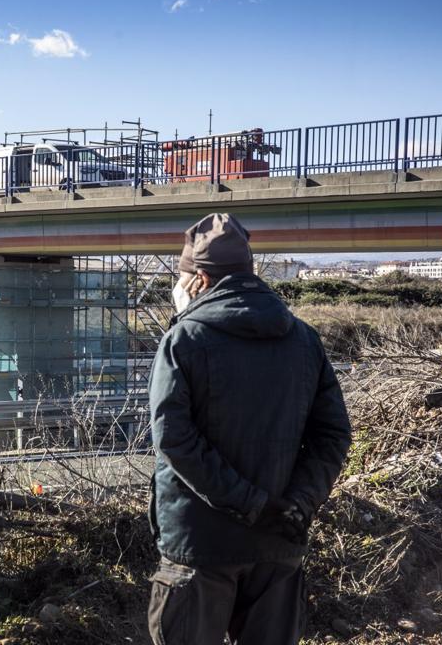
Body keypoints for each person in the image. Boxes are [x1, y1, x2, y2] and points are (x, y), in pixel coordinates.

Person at [147, 213, 351, 645]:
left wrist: (251, 504)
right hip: (278, 543)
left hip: (199, 546)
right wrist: (297, 504)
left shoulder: (184, 340)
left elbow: (173, 439)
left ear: (198, 279)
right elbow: (332, 436)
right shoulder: (303, 339)